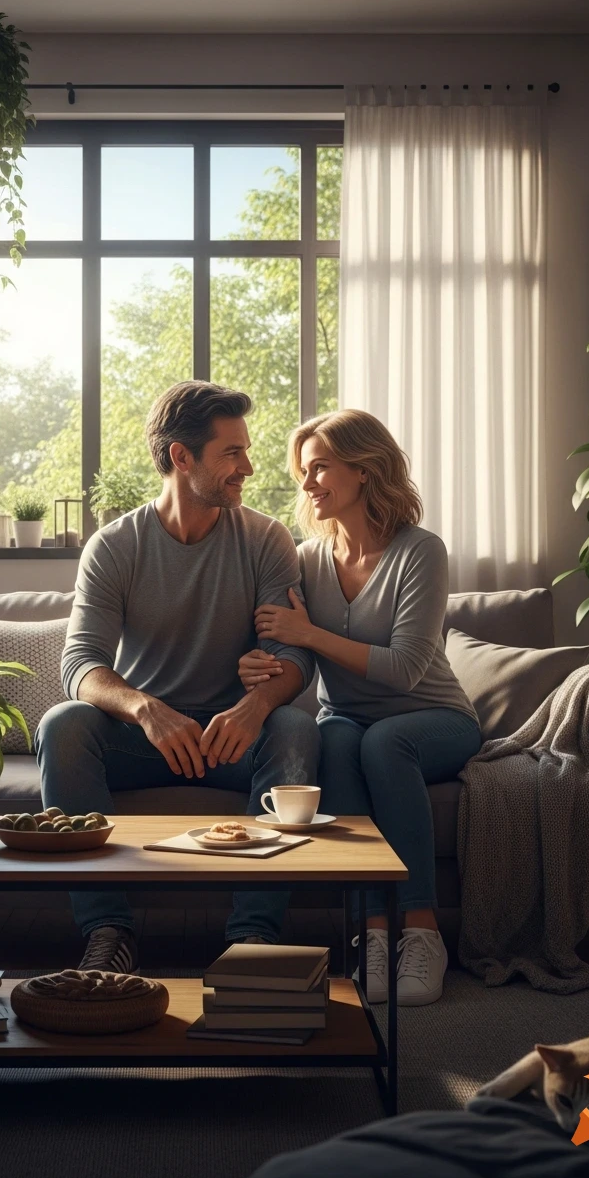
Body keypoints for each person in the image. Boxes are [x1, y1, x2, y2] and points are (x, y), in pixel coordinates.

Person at [35, 381, 319, 975]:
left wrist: (256, 706)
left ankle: (254, 940)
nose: (248, 466)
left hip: (229, 739)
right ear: (181, 457)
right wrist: (144, 709)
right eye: (232, 453)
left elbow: (293, 658)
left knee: (294, 727)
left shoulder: (266, 539)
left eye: (245, 450)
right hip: (144, 741)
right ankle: (108, 932)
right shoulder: (114, 547)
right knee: (63, 725)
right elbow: (78, 664)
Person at [238, 410, 481, 1007]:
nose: (307, 483)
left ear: (366, 470)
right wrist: (262, 667)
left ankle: (421, 930)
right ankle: (373, 934)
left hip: (435, 719)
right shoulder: (307, 559)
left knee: (381, 741)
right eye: (303, 472)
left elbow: (406, 668)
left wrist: (310, 634)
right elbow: (303, 664)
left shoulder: (421, 552)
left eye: (319, 468)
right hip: (349, 720)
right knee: (338, 740)